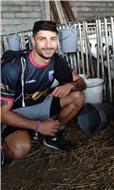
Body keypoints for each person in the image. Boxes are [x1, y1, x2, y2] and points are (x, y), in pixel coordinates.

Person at [1, 20, 86, 167]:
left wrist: (70, 85)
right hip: (14, 111)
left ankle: (53, 136)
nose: (48, 45)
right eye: (42, 39)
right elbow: (2, 113)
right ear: (33, 40)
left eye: (52, 39)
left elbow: (82, 83)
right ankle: (4, 149)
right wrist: (38, 126)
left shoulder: (57, 61)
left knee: (77, 97)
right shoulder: (13, 67)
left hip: (40, 104)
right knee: (19, 149)